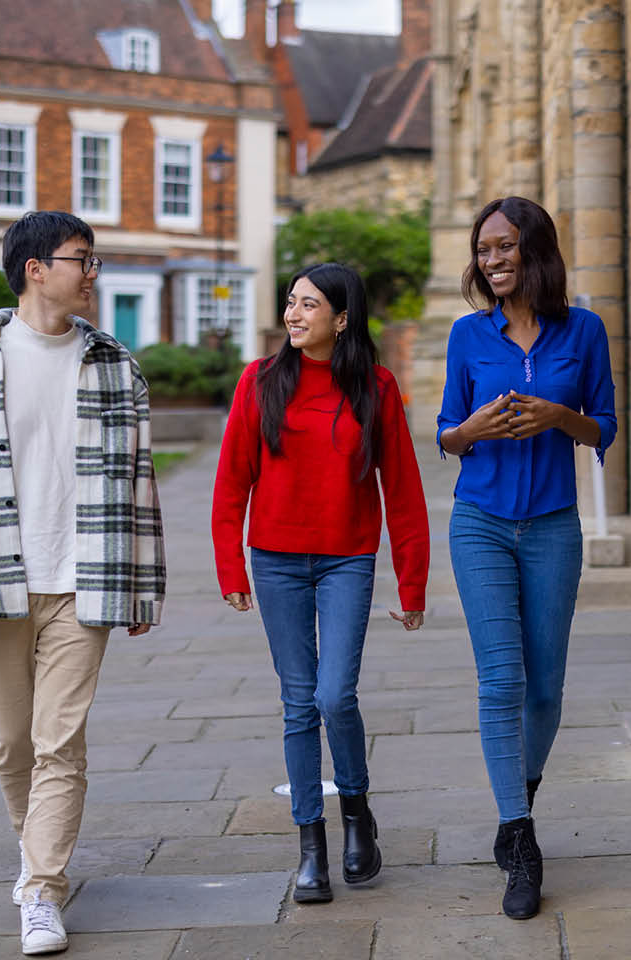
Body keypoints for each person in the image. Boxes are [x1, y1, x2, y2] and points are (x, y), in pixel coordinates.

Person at [0, 210, 164, 956]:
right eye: (82, 259)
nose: (93, 272)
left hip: (83, 581)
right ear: (35, 268)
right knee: (8, 744)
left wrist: (142, 587)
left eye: (92, 258)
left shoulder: (116, 365)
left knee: (62, 743)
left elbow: (138, 484)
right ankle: (38, 861)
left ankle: (40, 891)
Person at [211, 262, 429, 904]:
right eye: (290, 302)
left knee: (336, 695)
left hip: (345, 561)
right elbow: (231, 482)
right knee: (299, 704)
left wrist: (411, 583)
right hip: (275, 560)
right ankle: (312, 845)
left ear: (342, 319)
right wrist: (232, 566)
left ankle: (357, 812)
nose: (294, 314)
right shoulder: (260, 381)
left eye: (309, 305)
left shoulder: (377, 388)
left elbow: (405, 491)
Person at [436, 196, 617, 919]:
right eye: (483, 250)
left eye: (505, 247)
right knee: (501, 681)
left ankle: (520, 796)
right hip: (479, 523)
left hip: (552, 528)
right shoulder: (467, 336)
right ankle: (520, 835)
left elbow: (604, 426)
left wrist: (558, 418)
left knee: (545, 691)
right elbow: (448, 433)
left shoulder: (585, 332)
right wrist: (472, 427)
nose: (492, 260)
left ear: (534, 249)